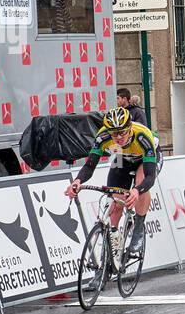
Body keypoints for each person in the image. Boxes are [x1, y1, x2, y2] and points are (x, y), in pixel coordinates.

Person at [66, 107, 160, 257]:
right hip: (123, 158)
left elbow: (150, 177)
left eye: (122, 131)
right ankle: (110, 251)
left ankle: (139, 226)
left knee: (140, 182)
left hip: (145, 159)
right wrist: (77, 181)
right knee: (115, 201)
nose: (119, 137)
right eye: (114, 133)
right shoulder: (103, 136)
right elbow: (90, 166)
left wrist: (136, 190)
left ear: (129, 127)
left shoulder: (142, 136)